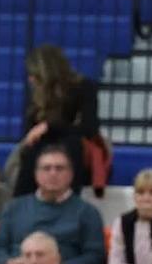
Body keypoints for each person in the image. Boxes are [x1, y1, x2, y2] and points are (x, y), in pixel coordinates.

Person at [12, 45, 103, 194]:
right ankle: (21, 206)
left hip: (74, 148)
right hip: (43, 147)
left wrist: (50, 127)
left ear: (46, 74)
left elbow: (89, 128)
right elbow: (30, 132)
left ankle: (69, 203)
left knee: (71, 145)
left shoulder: (84, 87)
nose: (30, 79)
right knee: (33, 150)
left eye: (34, 74)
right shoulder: (36, 96)